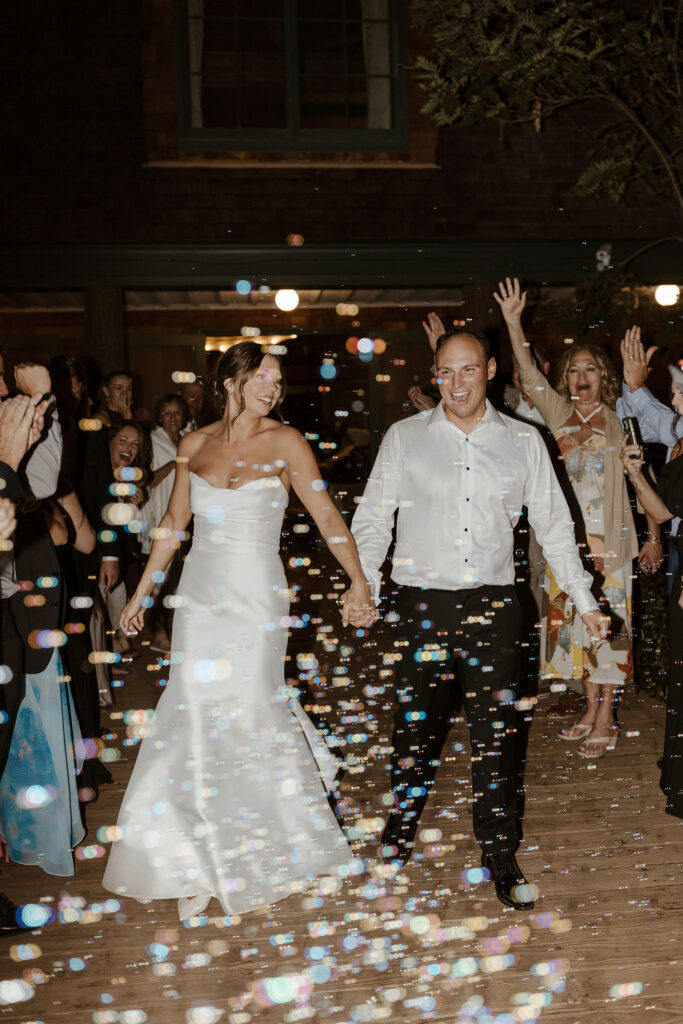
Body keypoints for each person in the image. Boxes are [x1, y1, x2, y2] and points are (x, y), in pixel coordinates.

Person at [102, 341, 374, 920]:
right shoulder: (193, 445)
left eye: (277, 380)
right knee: (194, 709)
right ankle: (196, 857)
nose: (273, 388)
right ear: (230, 381)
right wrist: (142, 593)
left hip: (255, 596)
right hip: (200, 596)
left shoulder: (287, 441)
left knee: (250, 708)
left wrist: (358, 581)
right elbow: (173, 524)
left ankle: (257, 850)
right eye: (263, 377)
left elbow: (326, 514)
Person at [348, 326, 607, 910]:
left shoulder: (524, 440)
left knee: (499, 737)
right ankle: (399, 830)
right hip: (422, 606)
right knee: (415, 729)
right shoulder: (404, 438)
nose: (456, 382)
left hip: (495, 608)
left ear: (490, 370)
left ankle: (500, 850)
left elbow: (555, 527)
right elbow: (373, 520)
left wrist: (586, 602)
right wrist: (363, 586)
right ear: (434, 374)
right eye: (446, 371)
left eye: (468, 369)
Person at [496, 278, 639, 758]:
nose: (581, 376)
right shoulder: (557, 415)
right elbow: (527, 372)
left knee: (610, 630)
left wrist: (654, 537)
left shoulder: (619, 419)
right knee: (576, 632)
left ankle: (607, 714)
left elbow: (641, 481)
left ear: (603, 377)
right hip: (566, 547)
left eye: (590, 369)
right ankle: (590, 706)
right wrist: (513, 321)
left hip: (612, 546)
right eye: (574, 369)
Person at [620, 435, 683, 817]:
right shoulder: (680, 443)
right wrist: (636, 474)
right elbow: (663, 511)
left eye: (677, 402)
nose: (673, 405)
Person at [617, 326, 683, 585]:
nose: (674, 402)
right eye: (674, 393)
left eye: (681, 392)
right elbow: (637, 428)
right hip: (677, 542)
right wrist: (630, 381)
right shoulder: (676, 431)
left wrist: (637, 386)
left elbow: (666, 424)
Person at [141, 394, 189, 651]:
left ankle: (174, 631)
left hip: (187, 516)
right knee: (160, 578)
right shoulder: (152, 440)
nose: (172, 418)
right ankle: (158, 634)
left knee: (179, 580)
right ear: (159, 417)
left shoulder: (188, 438)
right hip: (162, 514)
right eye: (167, 413)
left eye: (177, 412)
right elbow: (147, 481)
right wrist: (174, 463)